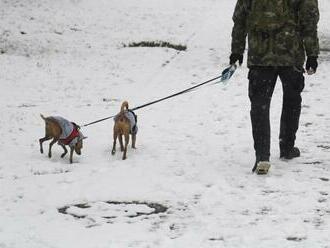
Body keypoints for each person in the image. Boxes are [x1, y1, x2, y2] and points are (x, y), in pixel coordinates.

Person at [229, 0, 319, 174]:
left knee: (259, 106)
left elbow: (240, 17)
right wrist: (312, 54)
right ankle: (287, 146)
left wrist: (237, 51)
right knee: (292, 102)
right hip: (290, 54)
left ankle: (262, 155)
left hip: (260, 56)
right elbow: (309, 18)